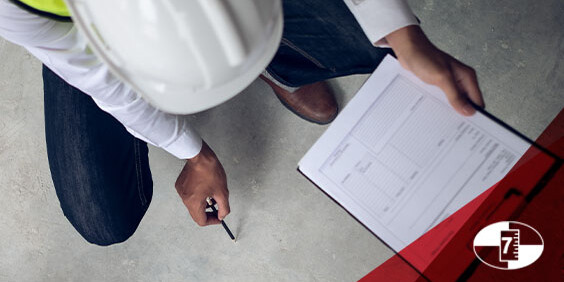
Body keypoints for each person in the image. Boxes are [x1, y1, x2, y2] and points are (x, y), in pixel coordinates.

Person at [0, 0, 484, 246]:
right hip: (73, 36)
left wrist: (403, 35)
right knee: (100, 216)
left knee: (372, 42)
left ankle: (277, 58)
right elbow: (98, 79)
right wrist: (193, 152)